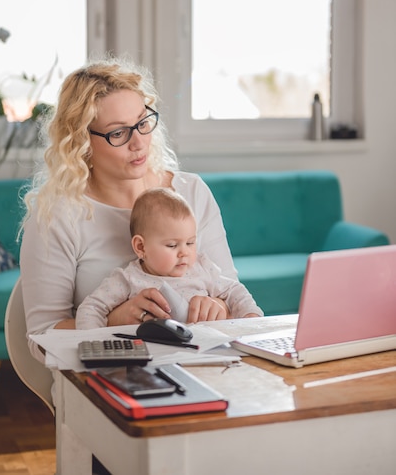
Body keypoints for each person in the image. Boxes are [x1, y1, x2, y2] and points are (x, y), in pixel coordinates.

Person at [20, 55, 263, 363]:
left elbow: (230, 291)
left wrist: (220, 309)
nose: (139, 142)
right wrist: (112, 322)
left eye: (142, 123)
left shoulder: (191, 193)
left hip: (199, 364)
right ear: (81, 141)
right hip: (108, 376)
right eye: (118, 133)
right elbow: (41, 338)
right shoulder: (57, 215)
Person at [76, 187, 262, 329]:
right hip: (152, 357)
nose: (184, 253)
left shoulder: (201, 267)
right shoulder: (128, 278)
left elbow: (235, 291)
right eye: (172, 245)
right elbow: (91, 308)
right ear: (141, 247)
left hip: (203, 351)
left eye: (190, 243)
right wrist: (95, 344)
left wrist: (251, 316)